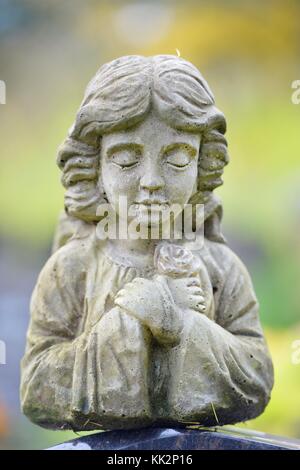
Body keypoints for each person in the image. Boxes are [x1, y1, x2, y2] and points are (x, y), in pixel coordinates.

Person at [20, 55, 273, 430]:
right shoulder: (70, 269)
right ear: (95, 166)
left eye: (177, 159)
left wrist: (181, 325)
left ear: (203, 164)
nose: (151, 180)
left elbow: (256, 377)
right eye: (125, 160)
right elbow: (37, 386)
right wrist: (127, 320)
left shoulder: (221, 267)